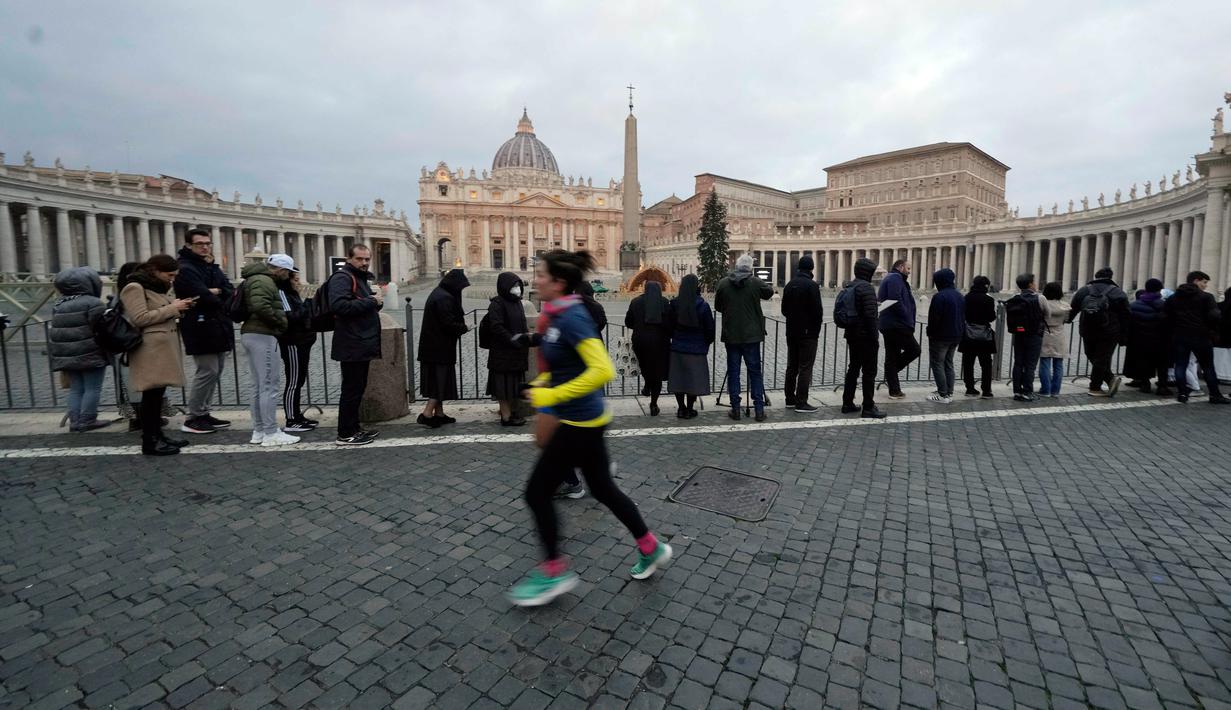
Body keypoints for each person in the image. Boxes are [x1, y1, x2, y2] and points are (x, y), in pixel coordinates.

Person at [508, 249, 672, 607]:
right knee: (603, 489)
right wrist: (540, 384)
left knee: (537, 493)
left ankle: (554, 571)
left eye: (541, 275)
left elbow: (602, 370)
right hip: (586, 419)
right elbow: (566, 365)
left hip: (577, 421)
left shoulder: (572, 318)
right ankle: (651, 546)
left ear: (559, 282)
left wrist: (553, 392)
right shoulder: (559, 315)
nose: (534, 280)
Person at [120, 255, 193, 456]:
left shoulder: (155, 287)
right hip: (149, 350)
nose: (172, 279)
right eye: (169, 275)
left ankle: (158, 435)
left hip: (160, 349)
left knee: (156, 396)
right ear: (155, 271)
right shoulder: (134, 287)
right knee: (150, 397)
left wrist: (177, 307)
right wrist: (172, 308)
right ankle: (150, 440)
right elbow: (139, 318)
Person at [174, 227, 235, 435]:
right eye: (200, 244)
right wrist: (215, 292)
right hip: (199, 326)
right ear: (189, 245)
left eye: (208, 243)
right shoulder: (185, 268)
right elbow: (201, 295)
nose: (205, 247)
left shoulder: (211, 266)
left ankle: (203, 412)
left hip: (217, 324)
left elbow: (229, 290)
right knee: (206, 371)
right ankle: (193, 417)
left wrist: (217, 291)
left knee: (215, 371)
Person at [240, 254, 299, 447]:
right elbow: (261, 305)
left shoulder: (255, 279)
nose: (288, 276)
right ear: (281, 270)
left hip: (252, 334)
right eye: (288, 272)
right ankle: (271, 432)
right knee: (268, 386)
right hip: (262, 335)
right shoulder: (264, 281)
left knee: (257, 386)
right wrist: (280, 322)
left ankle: (259, 430)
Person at [329, 244, 384, 445]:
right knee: (351, 390)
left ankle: (354, 428)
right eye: (360, 259)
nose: (364, 263)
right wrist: (371, 301)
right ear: (349, 258)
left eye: (367, 259)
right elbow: (339, 305)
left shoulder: (360, 279)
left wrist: (376, 301)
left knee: (357, 388)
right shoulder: (342, 278)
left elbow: (366, 305)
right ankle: (345, 434)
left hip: (360, 342)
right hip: (351, 342)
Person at [49, 266, 111, 432]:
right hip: (91, 352)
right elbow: (101, 328)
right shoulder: (94, 303)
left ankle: (75, 421)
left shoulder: (59, 304)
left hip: (66, 353)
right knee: (92, 388)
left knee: (76, 388)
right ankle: (87, 420)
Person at [714, 254, 773, 421]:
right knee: (755, 372)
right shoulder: (755, 282)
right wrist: (754, 280)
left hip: (731, 335)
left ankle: (736, 408)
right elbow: (768, 292)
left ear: (737, 266)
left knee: (733, 372)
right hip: (752, 336)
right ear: (750, 268)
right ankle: (759, 410)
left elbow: (718, 306)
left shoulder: (724, 283)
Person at [1164, 271, 1228, 404]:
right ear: (1196, 281)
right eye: (1204, 282)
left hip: (1180, 336)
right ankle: (1215, 395)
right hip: (1201, 335)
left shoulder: (1173, 298)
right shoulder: (1206, 297)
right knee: (1208, 367)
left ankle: (1182, 393)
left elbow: (1165, 317)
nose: (1205, 286)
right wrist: (1211, 328)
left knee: (1181, 365)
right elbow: (1215, 316)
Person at [417, 268, 470, 427]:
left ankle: (439, 414)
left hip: (434, 347)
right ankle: (427, 414)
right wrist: (465, 327)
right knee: (439, 381)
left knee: (439, 380)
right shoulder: (444, 298)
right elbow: (448, 323)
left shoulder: (439, 293)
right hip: (438, 348)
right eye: (460, 287)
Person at [1067, 267, 1130, 397]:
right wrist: (1124, 336)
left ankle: (1098, 385)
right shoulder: (1118, 292)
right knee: (1102, 357)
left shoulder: (1084, 290)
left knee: (1091, 354)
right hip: (1110, 331)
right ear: (1111, 277)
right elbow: (1126, 317)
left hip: (1087, 329)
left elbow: (1072, 309)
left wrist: (1068, 320)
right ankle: (1101, 384)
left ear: (1096, 276)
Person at [841, 258, 885, 418]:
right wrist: (875, 338)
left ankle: (847, 402)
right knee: (869, 372)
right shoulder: (866, 288)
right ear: (868, 273)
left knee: (853, 368)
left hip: (852, 334)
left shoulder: (850, 285)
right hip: (866, 336)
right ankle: (868, 406)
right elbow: (870, 316)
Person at [485, 272, 531, 426]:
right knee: (502, 386)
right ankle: (505, 416)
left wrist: (524, 339)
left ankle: (512, 412)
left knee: (513, 385)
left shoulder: (517, 302)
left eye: (518, 285)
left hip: (516, 351)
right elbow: (496, 326)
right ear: (505, 286)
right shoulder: (497, 304)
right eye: (514, 285)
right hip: (502, 352)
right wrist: (512, 339)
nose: (517, 288)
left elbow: (522, 323)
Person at [780, 255, 824, 413]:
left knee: (792, 366)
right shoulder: (812, 286)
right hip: (808, 333)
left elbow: (784, 310)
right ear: (811, 268)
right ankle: (801, 401)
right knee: (805, 367)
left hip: (791, 331)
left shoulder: (789, 285)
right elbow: (817, 312)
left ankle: (789, 399)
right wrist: (814, 329)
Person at [667, 273, 715, 418]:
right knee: (693, 380)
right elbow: (710, 329)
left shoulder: (674, 304)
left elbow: (669, 326)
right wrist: (706, 343)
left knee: (679, 379)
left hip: (678, 346)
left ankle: (681, 408)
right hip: (697, 347)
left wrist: (674, 337)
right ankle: (689, 408)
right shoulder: (703, 306)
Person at [277, 271, 318, 432]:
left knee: (298, 380)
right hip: (292, 342)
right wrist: (308, 304)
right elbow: (291, 317)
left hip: (301, 340)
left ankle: (297, 415)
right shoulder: (282, 293)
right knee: (293, 381)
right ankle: (291, 419)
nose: (298, 283)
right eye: (296, 280)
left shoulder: (291, 294)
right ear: (288, 280)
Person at [625, 281, 673, 416]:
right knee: (657, 372)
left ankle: (647, 384)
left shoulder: (636, 302)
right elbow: (670, 324)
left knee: (645, 366)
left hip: (640, 341)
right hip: (660, 342)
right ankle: (653, 403)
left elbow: (628, 322)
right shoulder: (664, 302)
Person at [878, 259, 920, 399]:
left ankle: (894, 389)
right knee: (914, 349)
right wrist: (907, 317)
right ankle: (891, 375)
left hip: (891, 324)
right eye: (908, 268)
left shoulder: (893, 278)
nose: (909, 271)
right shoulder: (895, 278)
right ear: (900, 267)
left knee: (892, 355)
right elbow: (895, 300)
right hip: (897, 324)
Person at [1123, 279, 1171, 395]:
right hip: (1161, 340)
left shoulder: (1134, 305)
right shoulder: (1165, 305)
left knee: (1143, 362)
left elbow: (1129, 323)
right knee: (1162, 364)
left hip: (1140, 339)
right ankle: (1162, 386)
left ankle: (1145, 384)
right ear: (1160, 289)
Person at [925, 268, 964, 403]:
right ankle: (949, 392)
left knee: (937, 363)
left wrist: (930, 333)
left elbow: (934, 318)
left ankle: (942, 394)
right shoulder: (959, 295)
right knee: (948, 363)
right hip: (956, 335)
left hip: (940, 336)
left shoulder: (939, 297)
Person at [1006, 273, 1045, 401]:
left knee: (1018, 363)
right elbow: (1048, 313)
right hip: (1034, 335)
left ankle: (1017, 391)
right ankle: (1027, 391)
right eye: (1034, 282)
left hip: (1018, 334)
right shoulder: (1039, 298)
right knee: (1030, 365)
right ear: (1030, 284)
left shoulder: (1014, 297)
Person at [959, 275, 997, 398]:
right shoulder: (989, 300)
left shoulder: (966, 298)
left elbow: (963, 314)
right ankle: (986, 390)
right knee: (986, 363)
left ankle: (969, 388)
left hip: (969, 333)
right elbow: (991, 317)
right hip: (984, 335)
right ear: (986, 285)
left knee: (968, 362)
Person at [1037, 281, 1070, 397]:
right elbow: (1066, 320)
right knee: (1058, 364)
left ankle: (1045, 390)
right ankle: (1055, 391)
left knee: (1045, 362)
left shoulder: (1042, 304)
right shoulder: (1065, 306)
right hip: (1059, 335)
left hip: (1045, 334)